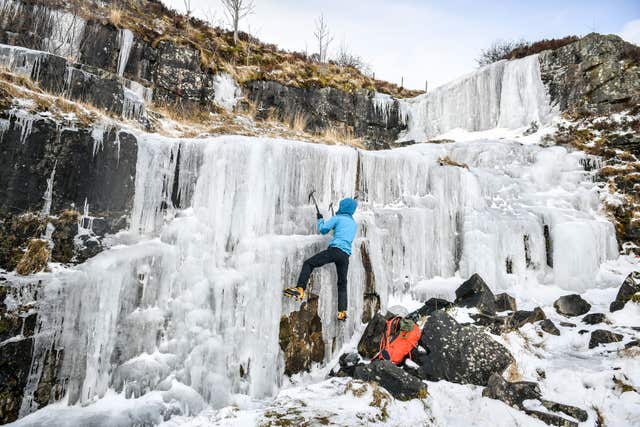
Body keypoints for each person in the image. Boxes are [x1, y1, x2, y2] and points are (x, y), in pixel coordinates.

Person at [283, 197, 358, 321]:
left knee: (309, 263)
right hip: (345, 256)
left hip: (335, 250)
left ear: (342, 207)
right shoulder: (353, 224)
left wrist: (320, 219)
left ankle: (300, 288)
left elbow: (323, 230)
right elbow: (342, 234)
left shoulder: (337, 218)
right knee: (342, 283)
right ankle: (342, 311)